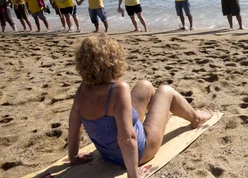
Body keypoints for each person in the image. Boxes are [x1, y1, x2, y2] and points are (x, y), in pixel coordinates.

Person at [68, 34, 212, 177]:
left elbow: (74, 128)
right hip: (140, 152)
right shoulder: (118, 89)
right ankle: (196, 119)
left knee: (145, 86)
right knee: (165, 91)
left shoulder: (82, 90)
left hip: (107, 153)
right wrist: (133, 174)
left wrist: (73, 156)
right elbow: (127, 138)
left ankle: (159, 116)